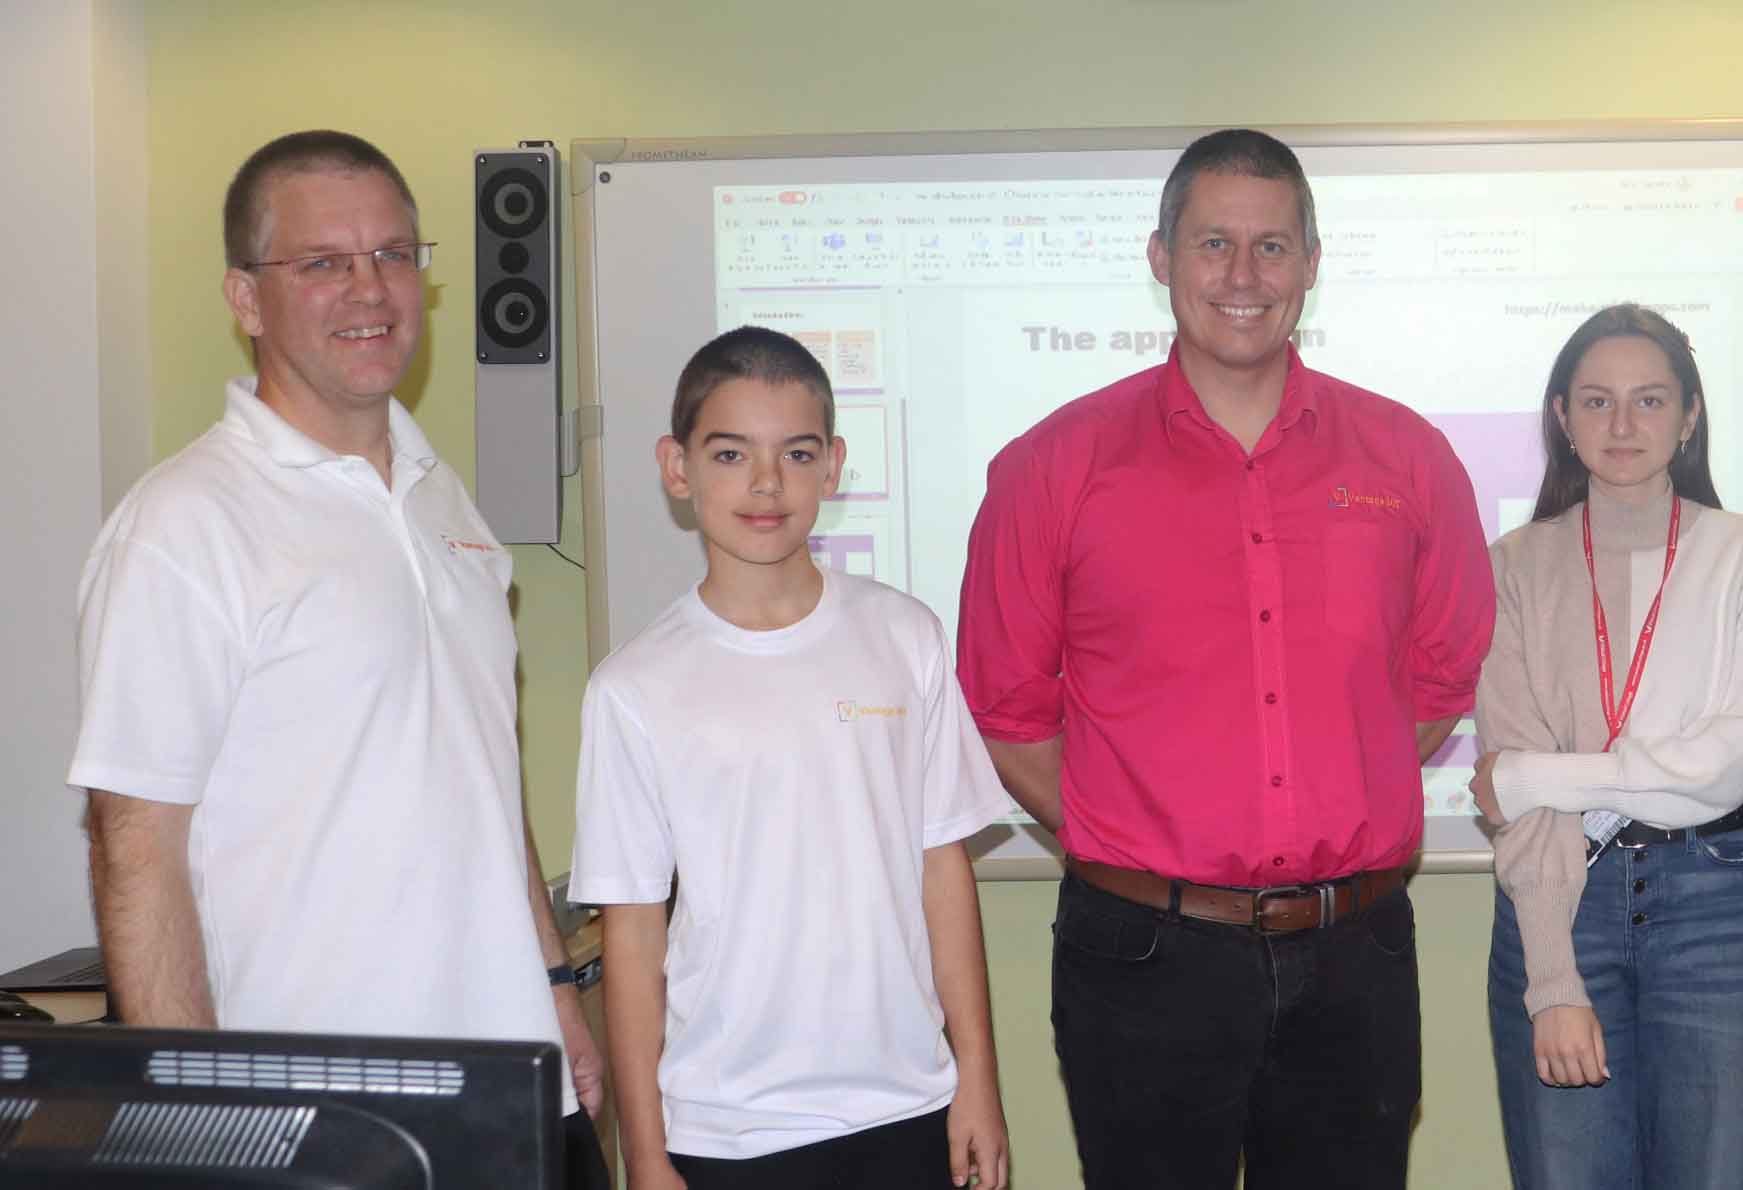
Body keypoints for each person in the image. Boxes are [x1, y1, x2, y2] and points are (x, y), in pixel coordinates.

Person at [65, 129, 611, 1186]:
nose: (372, 288)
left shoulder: (444, 497)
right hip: (321, 1121)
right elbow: (135, 844)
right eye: (323, 262)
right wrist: (201, 1125)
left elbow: (485, 772)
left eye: (396, 254)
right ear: (246, 296)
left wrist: (556, 988)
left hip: (518, 1085)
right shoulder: (181, 526)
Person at [956, 128, 1494, 1189]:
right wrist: (1143, 836)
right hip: (1142, 958)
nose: (1243, 277)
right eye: (1213, 244)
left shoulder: (1409, 458)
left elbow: (1435, 682)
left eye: (1272, 247)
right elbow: (1008, 711)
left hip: (1358, 948)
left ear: (1311, 260)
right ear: (1160, 257)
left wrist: (1324, 790)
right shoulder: (1052, 466)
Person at [573, 327, 1010, 1190]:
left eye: (796, 453)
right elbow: (632, 934)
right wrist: (647, 1157)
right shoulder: (633, 687)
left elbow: (942, 869)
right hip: (725, 1129)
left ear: (834, 466)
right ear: (677, 467)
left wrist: (978, 1084)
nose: (766, 484)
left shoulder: (903, 635)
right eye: (730, 453)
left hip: (906, 1106)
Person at [1469, 304, 1743, 1189]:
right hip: (1561, 906)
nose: (1623, 426)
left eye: (1650, 401)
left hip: (1716, 907)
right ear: (1561, 417)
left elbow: (1723, 769)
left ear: (1689, 417)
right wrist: (1553, 983)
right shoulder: (1510, 565)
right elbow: (1526, 812)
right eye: (1597, 401)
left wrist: (1537, 776)